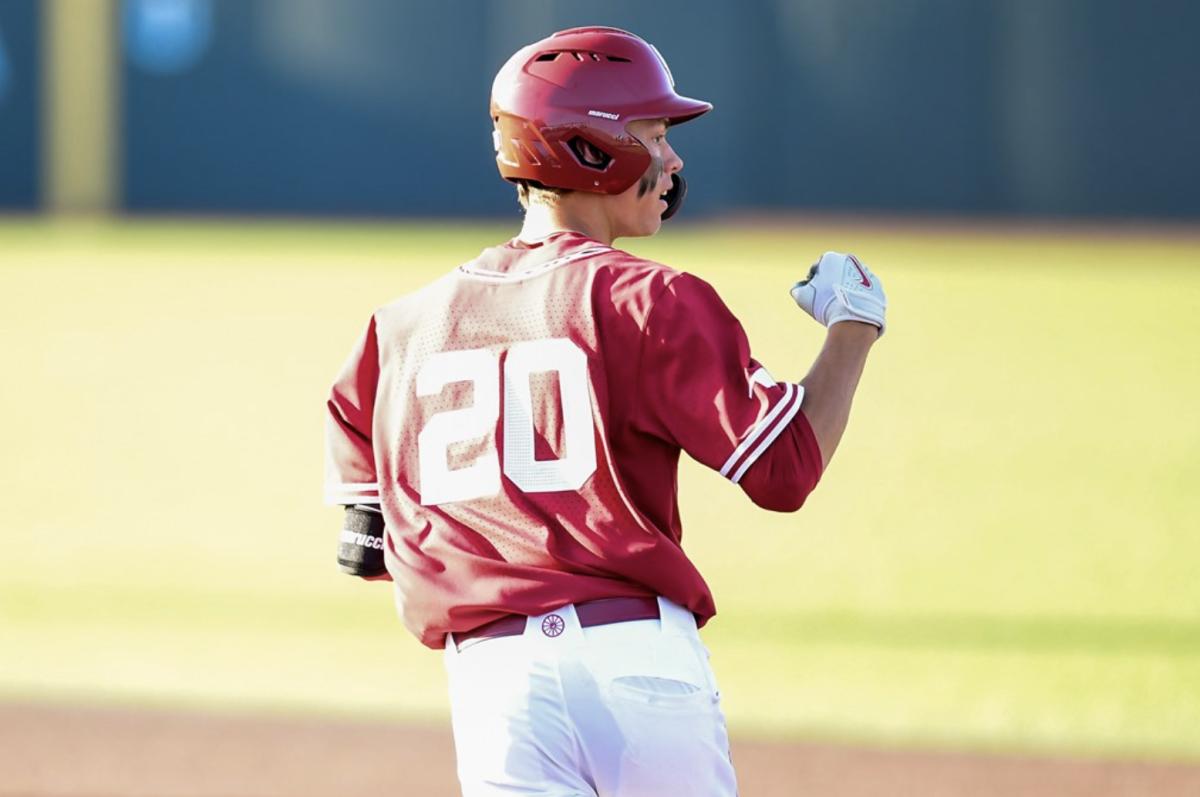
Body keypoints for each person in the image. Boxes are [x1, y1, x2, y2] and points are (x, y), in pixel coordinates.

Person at [325, 25, 886, 797]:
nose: (674, 159)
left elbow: (364, 546)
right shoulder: (649, 299)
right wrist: (854, 327)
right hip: (636, 667)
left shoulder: (397, 329)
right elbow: (785, 470)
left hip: (496, 686)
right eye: (654, 134)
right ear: (593, 149)